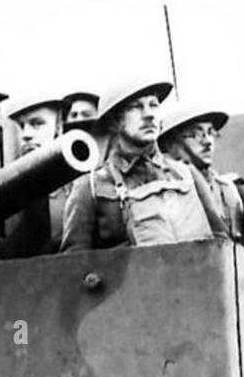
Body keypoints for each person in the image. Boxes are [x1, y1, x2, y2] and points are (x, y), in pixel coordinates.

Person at [60, 80, 225, 251]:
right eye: (136, 107)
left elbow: (222, 247)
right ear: (115, 121)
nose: (149, 114)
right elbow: (74, 264)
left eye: (153, 105)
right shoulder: (90, 187)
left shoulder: (187, 175)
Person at [159, 104, 244, 249]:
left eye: (211, 133)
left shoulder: (234, 190)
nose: (208, 141)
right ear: (171, 144)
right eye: (196, 134)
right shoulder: (164, 194)